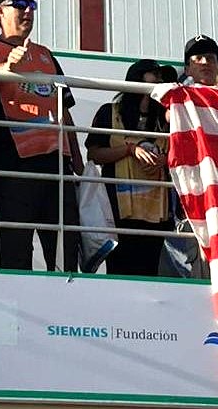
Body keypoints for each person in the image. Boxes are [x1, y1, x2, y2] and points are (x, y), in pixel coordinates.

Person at [0, 0, 82, 271]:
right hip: (14, 164)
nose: (28, 11)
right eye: (19, 4)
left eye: (31, 4)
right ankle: (18, 313)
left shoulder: (46, 54)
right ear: (0, 12)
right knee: (15, 250)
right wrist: (9, 67)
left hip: (57, 164)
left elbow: (64, 108)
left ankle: (64, 311)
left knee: (64, 252)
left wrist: (78, 162)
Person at [86, 59, 178, 275]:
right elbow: (94, 154)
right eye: (154, 74)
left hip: (156, 213)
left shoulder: (164, 118)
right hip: (119, 212)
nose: (159, 79)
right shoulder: (110, 112)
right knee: (119, 271)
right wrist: (129, 150)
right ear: (137, 77)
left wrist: (164, 160)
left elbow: (179, 153)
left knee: (150, 273)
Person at [158, 35, 218, 279]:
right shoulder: (180, 95)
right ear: (188, 68)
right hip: (193, 187)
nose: (205, 62)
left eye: (210, 57)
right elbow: (168, 118)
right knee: (192, 251)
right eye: (197, 58)